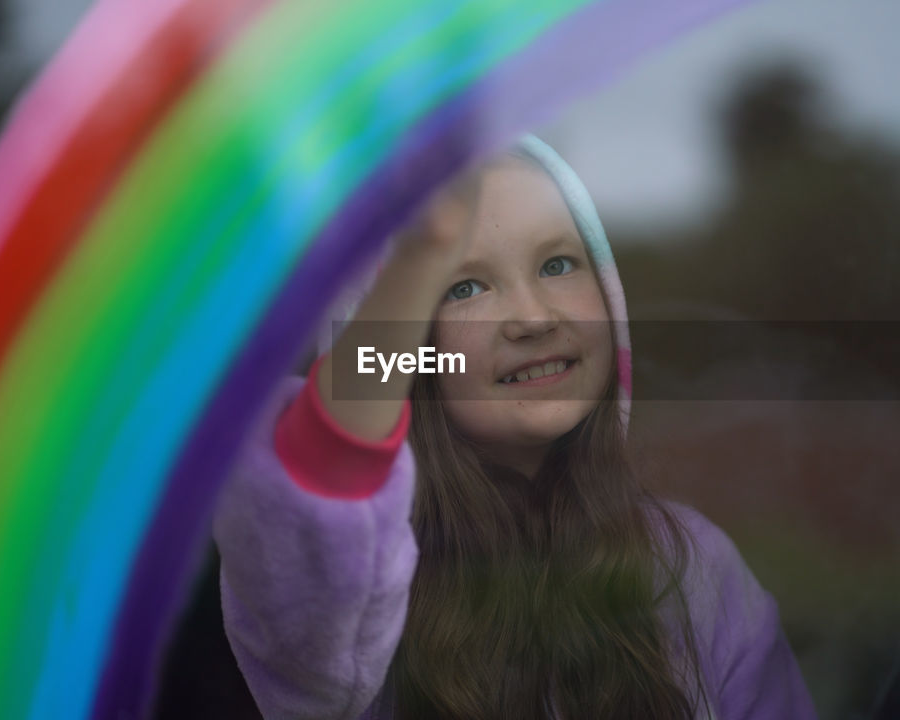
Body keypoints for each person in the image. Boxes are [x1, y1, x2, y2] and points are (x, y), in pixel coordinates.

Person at [212, 135, 817, 720]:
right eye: (465, 287)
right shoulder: (359, 598)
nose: (532, 317)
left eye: (558, 264)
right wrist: (422, 256)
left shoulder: (694, 571)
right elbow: (312, 507)